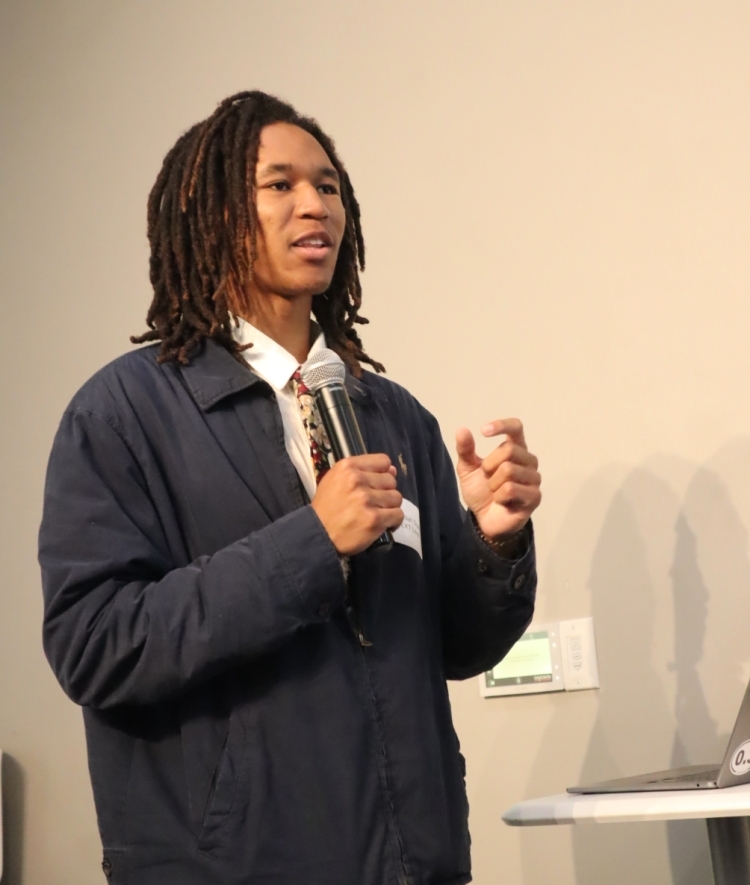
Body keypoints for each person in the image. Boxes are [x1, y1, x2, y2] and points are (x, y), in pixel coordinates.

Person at [39, 91, 542, 885]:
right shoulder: (121, 413)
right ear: (209, 213)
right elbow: (96, 646)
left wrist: (493, 538)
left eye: (330, 185)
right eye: (280, 184)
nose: (316, 203)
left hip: (412, 862)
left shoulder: (394, 415)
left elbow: (457, 646)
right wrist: (312, 541)